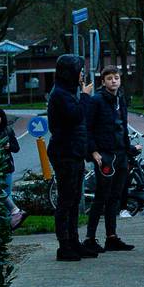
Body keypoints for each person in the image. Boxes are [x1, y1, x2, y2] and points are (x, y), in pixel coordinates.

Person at [84, 66, 142, 253]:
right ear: (103, 81)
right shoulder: (97, 101)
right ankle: (90, 238)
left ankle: (112, 237)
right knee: (101, 196)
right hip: (105, 155)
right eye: (109, 78)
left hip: (120, 154)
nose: (114, 81)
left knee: (115, 197)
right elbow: (88, 128)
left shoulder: (120, 100)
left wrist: (129, 149)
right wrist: (93, 151)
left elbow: (122, 128)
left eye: (116, 78)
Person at [47, 54, 96, 261]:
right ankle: (64, 245)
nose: (81, 75)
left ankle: (74, 241)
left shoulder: (67, 92)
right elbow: (76, 116)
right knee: (66, 201)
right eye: (79, 71)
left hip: (73, 152)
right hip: (65, 153)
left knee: (75, 200)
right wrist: (85, 96)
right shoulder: (60, 94)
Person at [0, 108, 24, 229]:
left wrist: (9, 146)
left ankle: (10, 221)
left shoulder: (7, 131)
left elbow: (16, 148)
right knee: (2, 194)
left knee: (6, 193)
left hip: (6, 166)